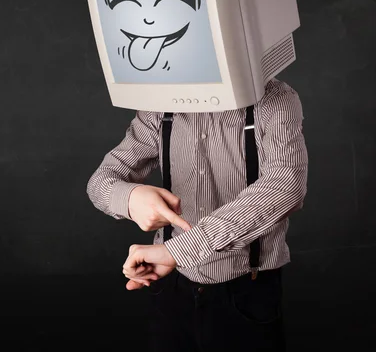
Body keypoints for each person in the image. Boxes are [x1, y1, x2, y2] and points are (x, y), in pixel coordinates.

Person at [86, 78, 308, 351]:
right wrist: (130, 199)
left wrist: (179, 250)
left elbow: (285, 186)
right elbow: (100, 182)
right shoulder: (159, 103)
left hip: (247, 292)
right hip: (170, 288)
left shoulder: (274, 99)